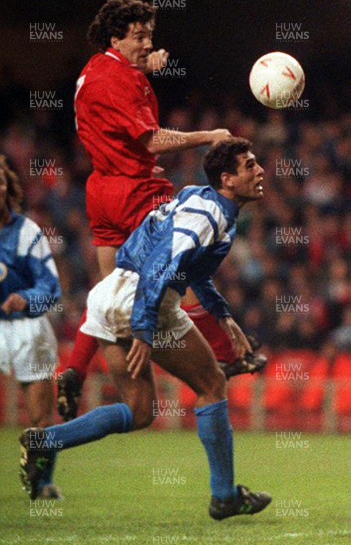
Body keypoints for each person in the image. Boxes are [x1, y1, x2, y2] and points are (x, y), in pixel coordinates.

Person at [20, 138, 272, 519]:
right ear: (228, 179)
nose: (260, 171)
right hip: (141, 297)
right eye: (250, 166)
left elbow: (190, 272)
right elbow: (160, 267)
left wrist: (222, 316)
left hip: (111, 295)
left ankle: (45, 441)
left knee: (140, 412)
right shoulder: (207, 218)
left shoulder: (202, 199)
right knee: (212, 385)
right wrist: (144, 330)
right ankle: (224, 497)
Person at [58, 0, 266, 420]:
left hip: (101, 189)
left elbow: (116, 105)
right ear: (115, 38)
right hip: (137, 189)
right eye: (138, 37)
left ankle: (74, 371)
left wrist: (142, 66)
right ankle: (229, 356)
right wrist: (208, 135)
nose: (148, 44)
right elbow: (151, 140)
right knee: (181, 269)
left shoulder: (98, 69)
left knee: (109, 293)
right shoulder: (120, 81)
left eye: (150, 35)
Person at [0, 155, 61, 499]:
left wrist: (26, 297)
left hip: (27, 328)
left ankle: (42, 484)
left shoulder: (27, 232)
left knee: (41, 416)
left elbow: (51, 287)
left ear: (7, 188)